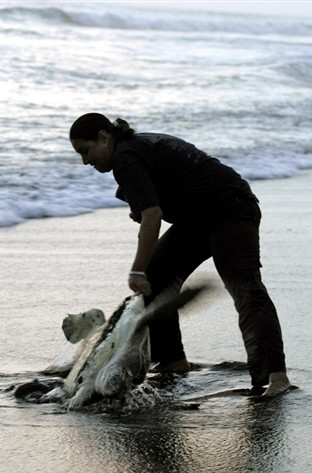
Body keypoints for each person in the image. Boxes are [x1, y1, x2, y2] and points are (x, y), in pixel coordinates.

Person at [69, 112, 291, 397]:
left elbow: (152, 215)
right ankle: (174, 361)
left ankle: (276, 376)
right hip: (198, 218)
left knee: (246, 290)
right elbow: (161, 196)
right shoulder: (134, 149)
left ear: (103, 137)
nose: (85, 161)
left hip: (232, 210)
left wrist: (136, 269)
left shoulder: (126, 156)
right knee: (157, 279)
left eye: (85, 151)